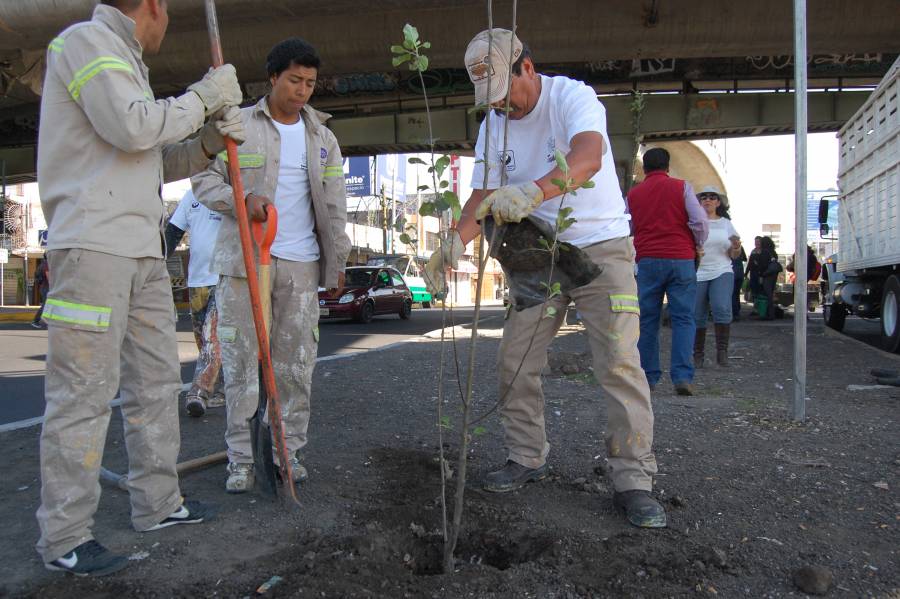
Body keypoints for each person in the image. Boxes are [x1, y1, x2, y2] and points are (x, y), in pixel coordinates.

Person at [35, 0, 244, 577]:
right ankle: (65, 537)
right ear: (151, 5)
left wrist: (204, 141)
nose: (169, 22)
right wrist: (204, 96)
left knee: (154, 383)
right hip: (92, 247)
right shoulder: (83, 44)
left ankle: (158, 504)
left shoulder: (128, 64)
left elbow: (149, 156)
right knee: (83, 392)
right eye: (167, 11)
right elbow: (132, 127)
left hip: (143, 249)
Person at [425, 29, 666, 528]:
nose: (501, 109)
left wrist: (533, 193)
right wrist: (454, 241)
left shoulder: (572, 97)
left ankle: (633, 479)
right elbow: (482, 195)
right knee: (515, 358)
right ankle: (526, 455)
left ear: (527, 69)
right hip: (537, 253)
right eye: (490, 101)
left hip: (601, 246)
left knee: (620, 363)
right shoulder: (494, 125)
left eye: (504, 94)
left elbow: (588, 158)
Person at [193, 38, 351, 494]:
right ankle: (241, 461)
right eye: (294, 80)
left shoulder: (324, 139)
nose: (303, 90)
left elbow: (336, 207)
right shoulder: (236, 125)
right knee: (242, 364)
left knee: (296, 366)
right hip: (246, 265)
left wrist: (336, 262)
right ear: (272, 78)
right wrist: (242, 201)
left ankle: (288, 452)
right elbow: (203, 179)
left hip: (301, 266)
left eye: (310, 83)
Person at [626, 147, 708, 396]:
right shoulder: (681, 187)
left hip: (648, 260)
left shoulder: (633, 194)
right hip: (681, 259)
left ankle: (648, 377)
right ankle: (682, 376)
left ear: (645, 169)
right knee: (683, 318)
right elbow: (699, 221)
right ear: (668, 167)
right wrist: (698, 244)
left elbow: (626, 225)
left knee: (647, 320)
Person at [165, 188, 225, 417]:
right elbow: (173, 232)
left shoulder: (228, 190)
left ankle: (198, 393)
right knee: (203, 342)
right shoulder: (192, 196)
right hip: (197, 282)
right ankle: (226, 389)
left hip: (224, 278)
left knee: (213, 339)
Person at [693, 186, 742, 367]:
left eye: (712, 197)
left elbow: (733, 255)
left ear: (718, 202)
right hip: (699, 271)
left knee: (721, 307)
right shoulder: (694, 223)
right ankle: (698, 354)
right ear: (698, 202)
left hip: (722, 270)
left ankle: (722, 352)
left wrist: (736, 247)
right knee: (697, 313)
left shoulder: (726, 224)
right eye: (704, 197)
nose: (708, 200)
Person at [759, 236, 781, 320]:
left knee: (767, 294)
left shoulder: (764, 252)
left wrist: (761, 274)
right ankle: (771, 313)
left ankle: (768, 314)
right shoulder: (773, 252)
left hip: (767, 275)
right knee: (770, 294)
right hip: (773, 274)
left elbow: (763, 264)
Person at [745, 236, 765, 307]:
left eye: (758, 241)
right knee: (754, 291)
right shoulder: (753, 251)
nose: (756, 243)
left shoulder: (764, 251)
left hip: (761, 275)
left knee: (760, 291)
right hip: (753, 275)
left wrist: (758, 264)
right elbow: (749, 263)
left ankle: (760, 308)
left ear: (761, 242)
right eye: (755, 242)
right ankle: (755, 308)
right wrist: (746, 273)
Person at [31, 257, 50, 329]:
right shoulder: (47, 264)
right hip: (46, 287)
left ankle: (48, 322)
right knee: (46, 305)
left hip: (44, 287)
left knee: (48, 304)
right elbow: (49, 278)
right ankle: (35, 321)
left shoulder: (44, 263)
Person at [731, 244, 747, 321]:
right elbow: (745, 259)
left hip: (732, 273)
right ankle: (737, 311)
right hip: (740, 274)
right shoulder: (740, 247)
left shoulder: (728, 248)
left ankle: (734, 313)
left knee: (732, 294)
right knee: (736, 294)